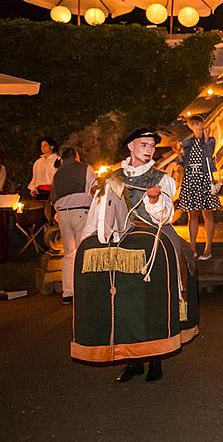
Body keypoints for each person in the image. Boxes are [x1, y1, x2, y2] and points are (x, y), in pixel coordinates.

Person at [72, 127, 199, 382]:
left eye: (152, 145)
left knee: (152, 298)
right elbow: (100, 212)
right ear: (131, 146)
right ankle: (131, 360)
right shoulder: (112, 178)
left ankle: (155, 358)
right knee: (123, 301)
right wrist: (90, 240)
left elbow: (166, 217)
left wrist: (153, 201)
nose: (149, 149)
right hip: (119, 240)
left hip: (153, 235)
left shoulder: (161, 179)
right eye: (144, 144)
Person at [50, 146, 96, 305]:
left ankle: (68, 292)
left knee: (69, 252)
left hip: (63, 214)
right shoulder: (85, 168)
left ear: (63, 158)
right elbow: (94, 190)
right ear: (77, 156)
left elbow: (53, 197)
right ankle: (85, 290)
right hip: (81, 212)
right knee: (84, 250)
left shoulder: (57, 174)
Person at [178, 115, 221, 260]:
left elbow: (208, 154)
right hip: (191, 179)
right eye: (197, 126)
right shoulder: (187, 143)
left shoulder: (210, 140)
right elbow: (184, 163)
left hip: (204, 179)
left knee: (207, 213)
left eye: (202, 126)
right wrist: (178, 153)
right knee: (192, 215)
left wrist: (207, 138)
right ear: (191, 127)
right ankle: (192, 249)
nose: (201, 129)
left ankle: (208, 249)